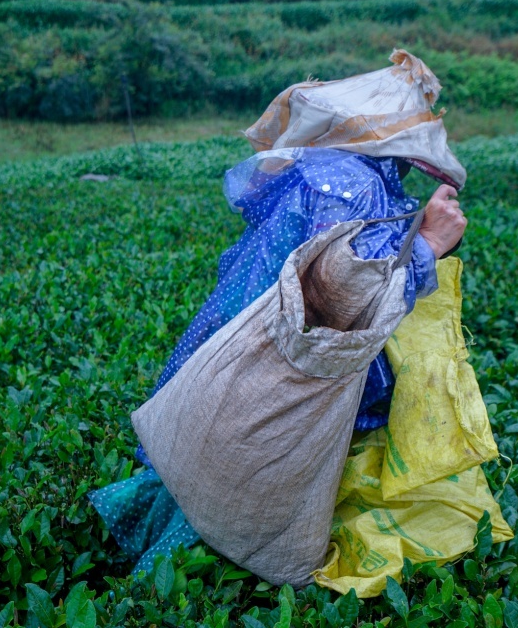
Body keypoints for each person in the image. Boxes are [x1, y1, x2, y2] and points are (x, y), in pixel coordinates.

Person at [90, 49, 468, 572]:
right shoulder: (355, 186)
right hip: (284, 342)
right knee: (261, 454)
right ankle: (219, 556)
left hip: (244, 321)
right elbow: (340, 296)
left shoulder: (324, 165)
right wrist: (428, 245)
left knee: (216, 438)